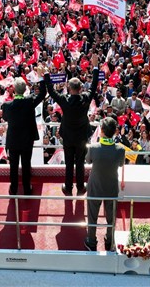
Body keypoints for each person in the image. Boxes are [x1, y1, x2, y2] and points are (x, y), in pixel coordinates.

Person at [46, 54, 99, 196]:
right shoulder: (86, 98)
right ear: (81, 88)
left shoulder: (64, 99)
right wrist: (95, 66)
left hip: (68, 137)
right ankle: (81, 188)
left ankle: (68, 188)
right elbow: (94, 86)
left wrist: (45, 73)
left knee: (69, 163)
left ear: (69, 88)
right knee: (80, 163)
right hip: (81, 138)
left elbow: (51, 91)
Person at [2, 68, 46, 195]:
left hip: (13, 141)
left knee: (13, 166)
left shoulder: (7, 105)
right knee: (26, 165)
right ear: (25, 89)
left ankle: (14, 188)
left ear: (14, 90)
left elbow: (5, 118)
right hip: (27, 140)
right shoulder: (30, 101)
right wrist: (41, 77)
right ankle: (27, 189)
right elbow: (43, 94)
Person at [84, 117, 125, 251]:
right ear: (115, 132)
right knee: (111, 216)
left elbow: (88, 161)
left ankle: (91, 241)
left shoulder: (94, 147)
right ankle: (109, 240)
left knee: (92, 215)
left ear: (101, 130)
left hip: (95, 186)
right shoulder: (120, 149)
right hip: (111, 187)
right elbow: (120, 164)